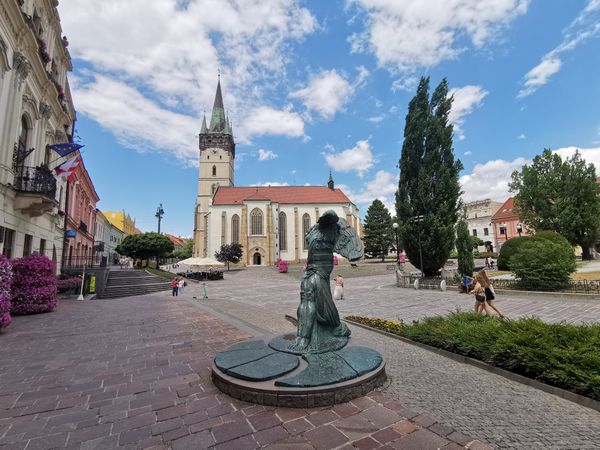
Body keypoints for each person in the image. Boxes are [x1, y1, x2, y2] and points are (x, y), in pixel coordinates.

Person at [290, 210, 362, 352]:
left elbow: (352, 248)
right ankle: (302, 336)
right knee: (307, 296)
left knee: (312, 296)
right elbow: (309, 241)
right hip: (310, 268)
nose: (322, 220)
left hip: (321, 269)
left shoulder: (333, 229)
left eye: (325, 219)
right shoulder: (314, 230)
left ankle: (306, 337)